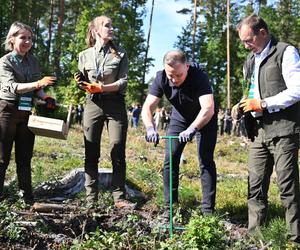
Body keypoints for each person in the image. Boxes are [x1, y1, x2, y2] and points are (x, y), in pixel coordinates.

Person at [236, 14, 300, 244]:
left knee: (287, 185)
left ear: (263, 32)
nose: (245, 45)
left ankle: (295, 239)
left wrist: (263, 104)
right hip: (258, 132)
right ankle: (256, 237)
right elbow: (252, 92)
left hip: (284, 129)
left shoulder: (285, 52)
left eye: (248, 39)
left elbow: (297, 90)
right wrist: (242, 104)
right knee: (255, 185)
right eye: (242, 41)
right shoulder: (249, 61)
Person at [141, 50, 217, 215]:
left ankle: (207, 210)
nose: (174, 80)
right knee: (171, 157)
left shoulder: (199, 77)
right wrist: (149, 127)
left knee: (205, 159)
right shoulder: (161, 77)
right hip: (180, 116)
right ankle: (170, 207)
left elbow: (208, 108)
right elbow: (147, 107)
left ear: (187, 67)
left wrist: (192, 129)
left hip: (204, 118)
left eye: (179, 75)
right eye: (171, 76)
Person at [74, 15, 132, 209]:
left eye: (112, 25)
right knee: (91, 150)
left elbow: (123, 82)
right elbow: (84, 82)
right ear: (96, 30)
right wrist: (82, 83)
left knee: (117, 147)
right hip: (93, 105)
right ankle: (91, 199)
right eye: (107, 25)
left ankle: (119, 198)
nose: (111, 28)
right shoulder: (84, 55)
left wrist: (103, 88)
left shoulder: (120, 54)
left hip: (115, 104)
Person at [0, 22, 56, 204]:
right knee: (2, 157)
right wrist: (38, 84)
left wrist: (45, 97)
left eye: (30, 38)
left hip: (26, 112)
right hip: (7, 110)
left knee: (24, 158)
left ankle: (27, 198)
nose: (27, 42)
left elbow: (37, 88)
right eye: (23, 37)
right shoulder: (5, 62)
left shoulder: (33, 61)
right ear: (12, 39)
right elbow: (13, 87)